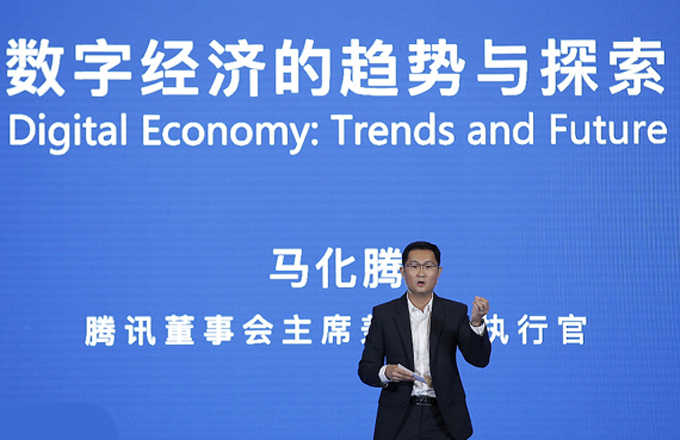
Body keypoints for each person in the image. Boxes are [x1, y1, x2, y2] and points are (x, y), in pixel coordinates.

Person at [358, 241, 491, 440]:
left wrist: (476, 322)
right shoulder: (384, 314)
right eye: (414, 266)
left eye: (428, 266)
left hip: (444, 418)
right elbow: (366, 369)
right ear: (403, 272)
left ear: (438, 273)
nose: (421, 273)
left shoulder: (454, 312)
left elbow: (479, 359)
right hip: (399, 417)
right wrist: (387, 372)